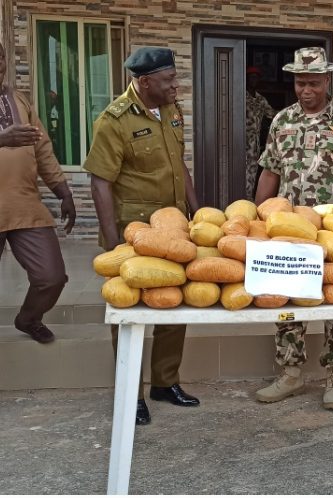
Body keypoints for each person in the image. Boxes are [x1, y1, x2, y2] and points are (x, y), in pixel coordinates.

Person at [254, 46, 333, 410]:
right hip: (291, 225)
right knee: (287, 296)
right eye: (300, 83)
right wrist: (260, 215)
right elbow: (270, 169)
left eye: (313, 83)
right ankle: (290, 372)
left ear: (327, 80)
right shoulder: (282, 121)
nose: (306, 90)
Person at [84, 47, 201, 425]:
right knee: (130, 315)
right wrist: (113, 239)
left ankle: (165, 382)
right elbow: (100, 182)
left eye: (175, 78)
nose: (175, 86)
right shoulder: (113, 121)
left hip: (173, 229)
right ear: (144, 81)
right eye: (168, 80)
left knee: (173, 305)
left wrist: (196, 213)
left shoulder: (170, 109)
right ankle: (130, 393)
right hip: (133, 233)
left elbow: (178, 163)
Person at [0, 42, 76, 344]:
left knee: (52, 277)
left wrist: (63, 190)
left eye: (0, 57)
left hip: (23, 205)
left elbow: (42, 148)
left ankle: (28, 318)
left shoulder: (20, 100)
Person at [245, 66, 275, 200]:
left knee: (251, 173)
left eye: (256, 78)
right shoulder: (240, 97)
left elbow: (272, 115)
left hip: (254, 144)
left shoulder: (260, 100)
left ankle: (248, 200)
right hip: (239, 140)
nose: (253, 80)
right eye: (251, 77)